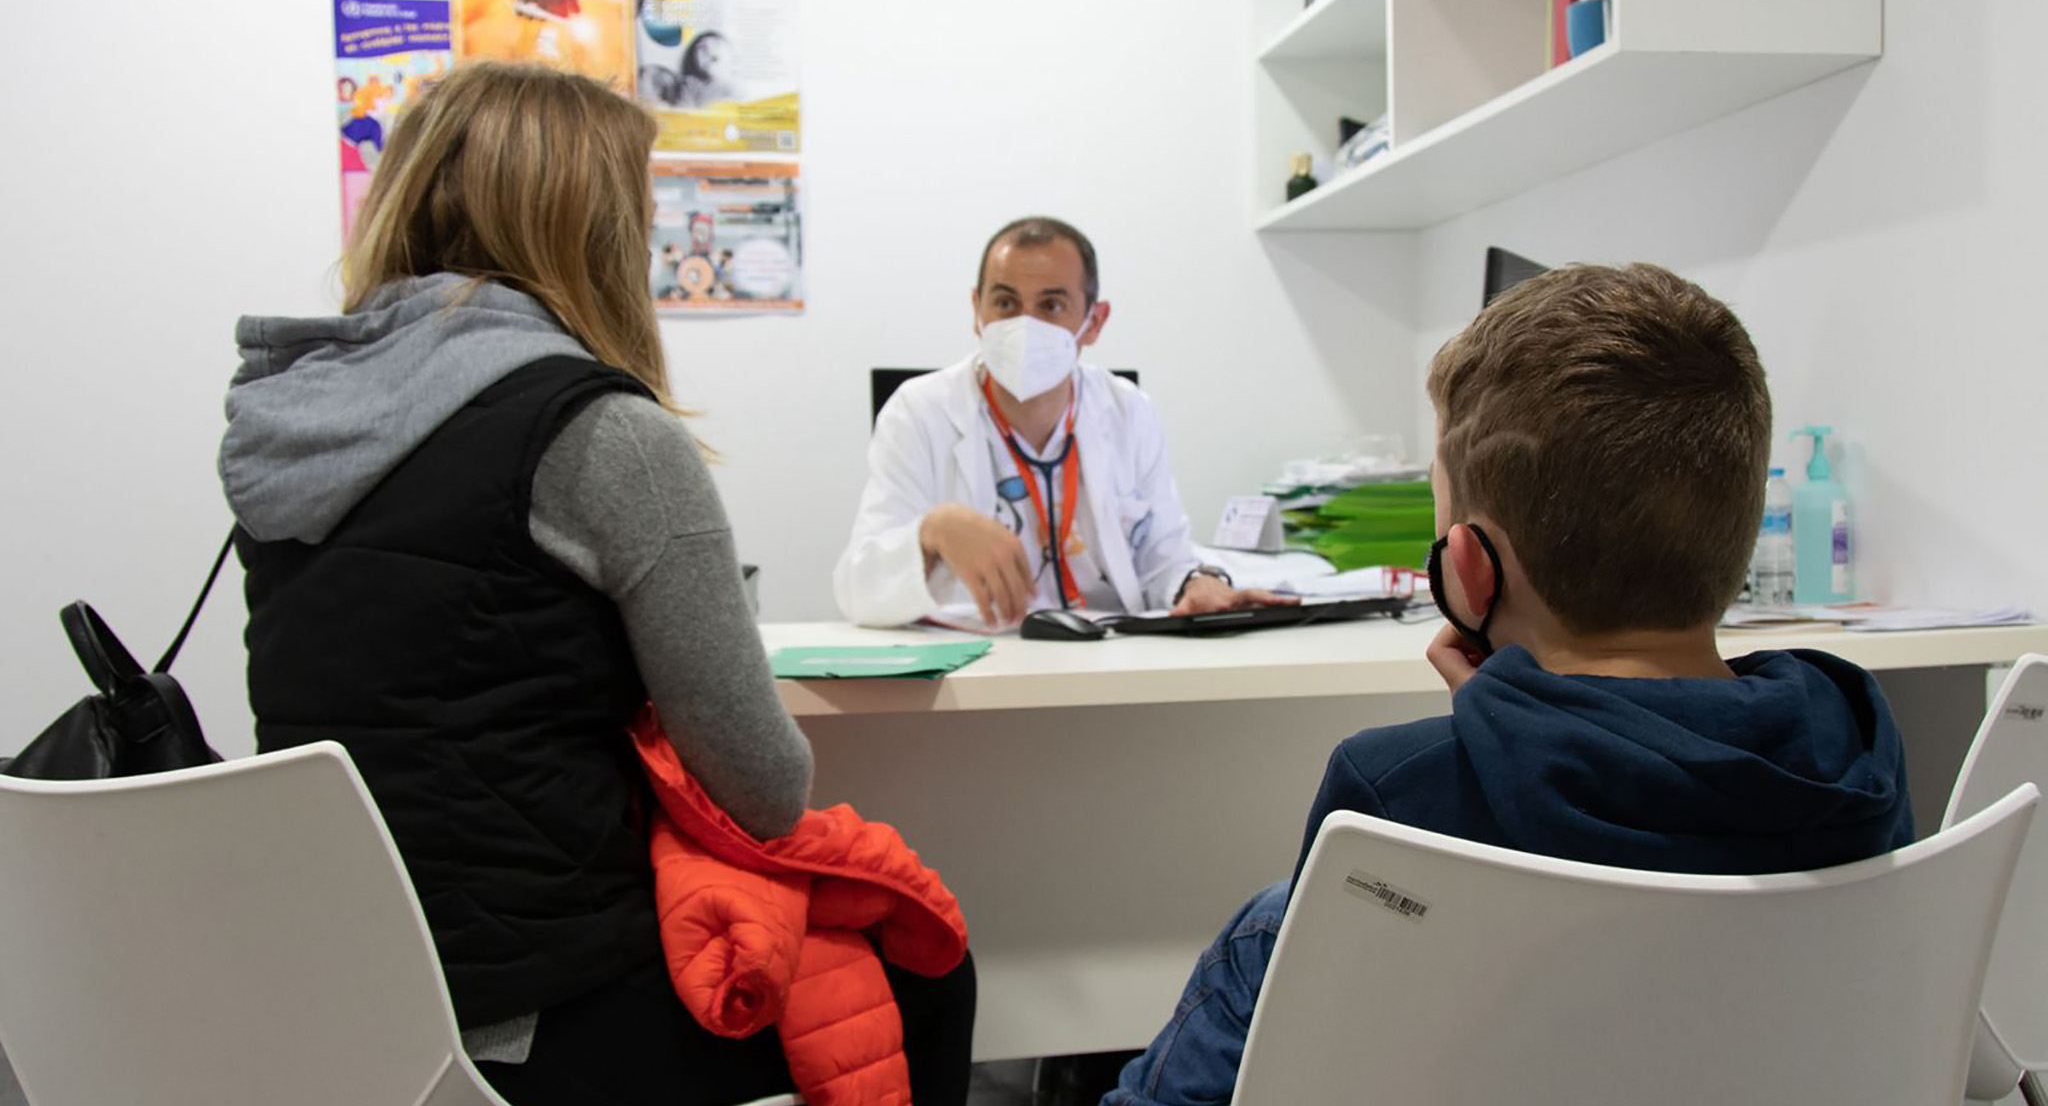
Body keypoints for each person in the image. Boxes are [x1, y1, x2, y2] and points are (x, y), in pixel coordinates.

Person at [220, 61, 974, 1106]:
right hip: (535, 1011)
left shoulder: (283, 423)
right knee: (924, 960)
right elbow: (763, 788)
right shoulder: (597, 433)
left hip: (332, 987)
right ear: (590, 230)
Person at [1105, 263, 1916, 1106]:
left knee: (1265, 933)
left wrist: (1502, 731)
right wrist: (1521, 724)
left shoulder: (1392, 794)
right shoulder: (1857, 748)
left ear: (1467, 571)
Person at [834, 216, 1292, 629]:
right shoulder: (919, 411)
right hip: (975, 659)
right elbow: (857, 590)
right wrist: (933, 531)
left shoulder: (1129, 410)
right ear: (977, 310)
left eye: (1051, 306)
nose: (1025, 325)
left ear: (1093, 322)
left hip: (1108, 654)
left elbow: (1163, 555)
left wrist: (1197, 582)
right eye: (1006, 303)